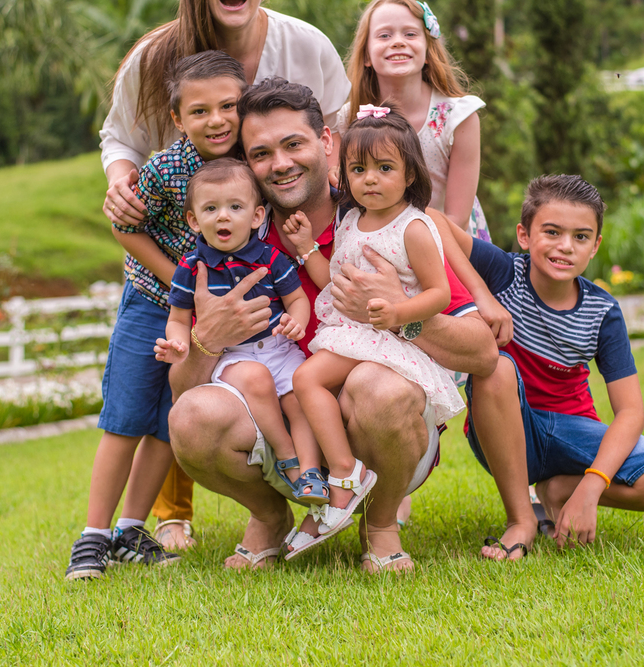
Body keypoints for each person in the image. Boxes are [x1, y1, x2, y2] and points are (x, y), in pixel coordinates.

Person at [166, 78, 498, 573]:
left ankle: (381, 524)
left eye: (293, 144)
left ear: (327, 142)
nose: (279, 163)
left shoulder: (384, 222)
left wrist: (396, 316)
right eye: (261, 153)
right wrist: (204, 341)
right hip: (290, 441)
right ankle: (270, 516)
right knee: (191, 417)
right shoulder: (227, 242)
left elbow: (482, 354)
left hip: (384, 429)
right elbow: (179, 392)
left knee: (376, 385)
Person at [98, 0, 351, 549]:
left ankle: (324, 477)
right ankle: (163, 514)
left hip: (273, 234)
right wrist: (122, 182)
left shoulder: (304, 44)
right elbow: (118, 136)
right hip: (188, 239)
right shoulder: (159, 53)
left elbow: (340, 127)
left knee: (275, 364)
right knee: (171, 373)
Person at [65, 51, 250, 580]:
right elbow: (125, 226)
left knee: (168, 426)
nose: (215, 120)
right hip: (152, 299)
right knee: (124, 418)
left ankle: (129, 530)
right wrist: (179, 281)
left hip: (207, 318)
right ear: (178, 119)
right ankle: (92, 537)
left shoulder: (247, 166)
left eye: (228, 107)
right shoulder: (168, 167)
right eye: (199, 111)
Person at [441, 175, 644, 561]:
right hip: (506, 429)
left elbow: (630, 412)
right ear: (524, 235)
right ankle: (520, 519)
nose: (565, 247)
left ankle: (559, 491)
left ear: (595, 247)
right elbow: (432, 220)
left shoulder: (602, 311)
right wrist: (481, 296)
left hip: (571, 431)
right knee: (494, 366)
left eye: (580, 236)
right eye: (552, 232)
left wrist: (591, 487)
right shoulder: (505, 272)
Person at [283, 106, 460, 558]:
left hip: (382, 336)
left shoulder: (414, 228)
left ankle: (346, 474)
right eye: (358, 170)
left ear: (409, 174)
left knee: (306, 380)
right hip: (349, 331)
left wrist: (398, 310)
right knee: (305, 383)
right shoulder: (349, 221)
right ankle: (345, 473)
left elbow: (439, 293)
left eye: (385, 169)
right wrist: (306, 249)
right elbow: (334, 283)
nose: (370, 180)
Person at [154, 158, 320, 510]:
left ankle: (310, 472)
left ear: (257, 216)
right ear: (194, 220)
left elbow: (296, 299)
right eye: (211, 208)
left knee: (299, 397)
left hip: (277, 346)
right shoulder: (191, 266)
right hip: (233, 355)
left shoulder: (270, 257)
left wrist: (297, 321)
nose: (223, 216)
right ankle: (288, 459)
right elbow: (179, 317)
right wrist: (179, 342)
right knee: (256, 379)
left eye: (235, 207)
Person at [340, 0, 490, 240]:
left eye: (410, 34)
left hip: (448, 242)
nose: (398, 41)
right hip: (375, 238)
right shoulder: (349, 118)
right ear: (366, 55)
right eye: (384, 35)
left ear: (428, 51)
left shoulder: (458, 117)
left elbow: (457, 218)